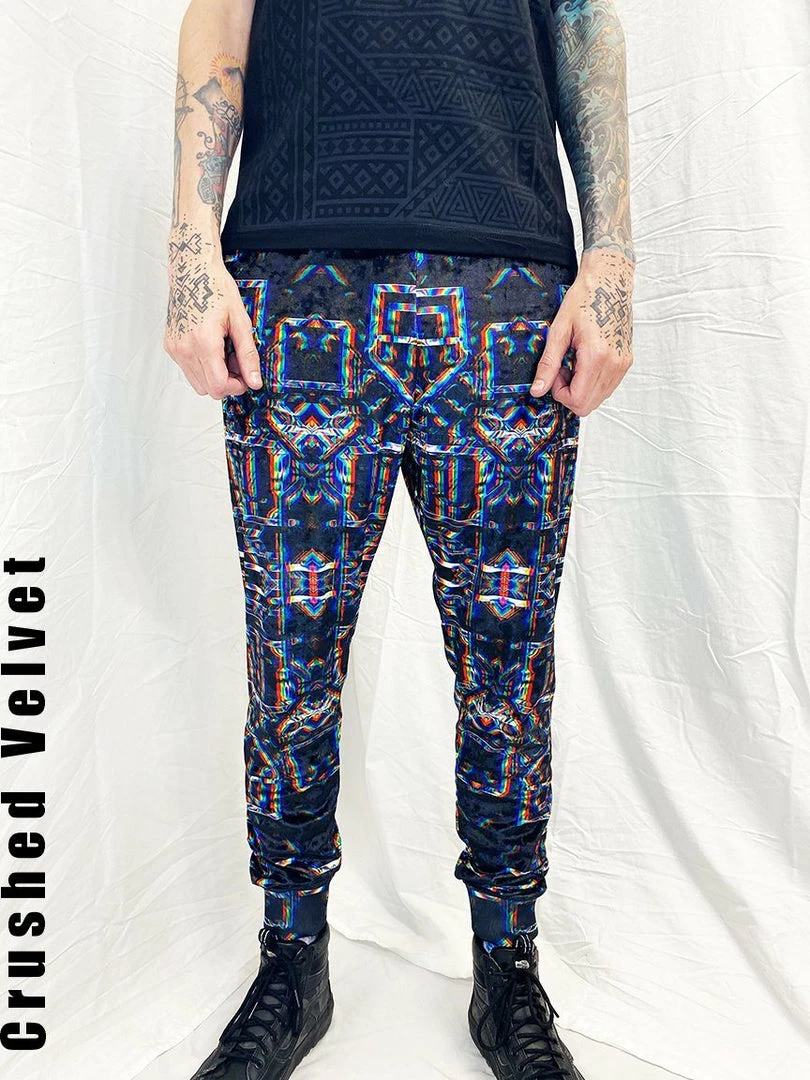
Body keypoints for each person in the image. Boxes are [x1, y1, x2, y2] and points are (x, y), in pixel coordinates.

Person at [163, 1, 634, 1077]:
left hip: (508, 286)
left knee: (509, 665)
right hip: (295, 276)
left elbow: (579, 14)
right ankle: (293, 961)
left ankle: (507, 968)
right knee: (289, 662)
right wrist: (192, 243)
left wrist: (610, 254)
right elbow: (222, 11)